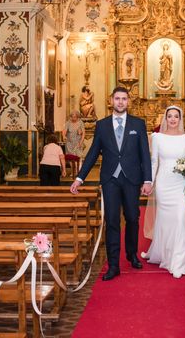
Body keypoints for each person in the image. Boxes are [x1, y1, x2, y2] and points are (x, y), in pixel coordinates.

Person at [70, 86, 152, 281]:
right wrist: (79, 178)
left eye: (124, 99)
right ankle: (113, 265)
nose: (121, 102)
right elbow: (92, 154)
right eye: (117, 98)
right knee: (112, 221)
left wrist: (147, 180)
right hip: (110, 180)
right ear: (111, 100)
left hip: (132, 179)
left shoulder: (138, 124)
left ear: (128, 101)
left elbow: (144, 155)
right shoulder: (102, 125)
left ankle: (131, 254)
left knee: (132, 218)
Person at [142, 106, 185, 278]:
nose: (173, 119)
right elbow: (153, 162)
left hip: (181, 185)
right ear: (165, 119)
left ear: (180, 119)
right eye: (169, 116)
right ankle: (161, 252)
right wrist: (149, 182)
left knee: (180, 219)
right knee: (165, 220)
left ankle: (179, 262)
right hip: (164, 184)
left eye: (176, 116)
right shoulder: (157, 137)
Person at [62, 110, 85, 176]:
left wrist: (81, 142)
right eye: (72, 117)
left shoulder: (80, 122)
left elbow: (83, 133)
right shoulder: (68, 123)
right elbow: (64, 131)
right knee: (70, 157)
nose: (73, 118)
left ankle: (79, 171)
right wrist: (64, 136)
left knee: (78, 156)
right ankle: (73, 171)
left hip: (78, 142)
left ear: (77, 117)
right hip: (69, 143)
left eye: (75, 117)